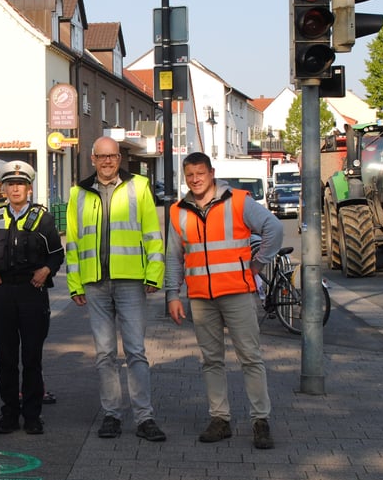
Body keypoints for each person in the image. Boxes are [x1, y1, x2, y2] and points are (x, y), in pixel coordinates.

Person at [164, 152, 282, 450]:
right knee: (211, 360)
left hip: (237, 292)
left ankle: (260, 420)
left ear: (211, 173)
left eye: (200, 173)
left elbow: (274, 229)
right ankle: (220, 419)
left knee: (250, 358)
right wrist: (172, 294)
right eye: (190, 175)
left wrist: (258, 264)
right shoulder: (178, 211)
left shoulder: (238, 201)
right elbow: (174, 257)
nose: (195, 179)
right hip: (201, 298)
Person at [66, 137, 167, 442]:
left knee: (135, 351)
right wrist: (74, 284)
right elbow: (73, 241)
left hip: (131, 281)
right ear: (93, 159)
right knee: (104, 353)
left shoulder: (139, 186)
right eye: (102, 156)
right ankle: (111, 414)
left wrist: (154, 274)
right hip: (95, 283)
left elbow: (152, 234)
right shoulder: (78, 193)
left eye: (112, 156)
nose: (107, 161)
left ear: (120, 158)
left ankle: (144, 417)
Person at [0, 161, 64, 435]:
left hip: (32, 293)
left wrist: (46, 270)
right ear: (4, 189)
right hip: (3, 295)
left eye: (21, 184)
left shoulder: (43, 219)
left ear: (29, 188)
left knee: (31, 358)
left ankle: (32, 415)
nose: (15, 189)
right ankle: (9, 413)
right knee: (6, 360)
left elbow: (56, 254)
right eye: (10, 184)